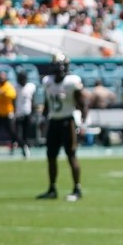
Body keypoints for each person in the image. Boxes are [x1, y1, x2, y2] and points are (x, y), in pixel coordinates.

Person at [36, 53, 87, 201]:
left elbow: (82, 103)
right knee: (51, 156)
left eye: (61, 66)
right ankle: (52, 188)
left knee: (71, 155)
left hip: (67, 121)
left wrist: (82, 122)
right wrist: (44, 118)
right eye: (57, 66)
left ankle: (77, 188)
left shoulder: (72, 82)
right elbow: (47, 103)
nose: (59, 70)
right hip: (54, 121)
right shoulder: (48, 81)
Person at [13, 69, 36, 158]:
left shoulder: (31, 87)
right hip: (18, 114)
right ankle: (24, 147)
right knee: (17, 133)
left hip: (27, 112)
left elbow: (32, 99)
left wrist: (33, 110)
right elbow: (13, 100)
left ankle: (24, 147)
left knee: (26, 134)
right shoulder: (15, 87)